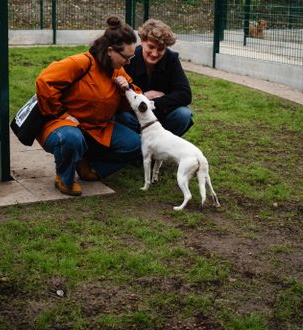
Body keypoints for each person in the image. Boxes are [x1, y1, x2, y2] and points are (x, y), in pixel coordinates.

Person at [36, 16, 143, 196]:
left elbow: (135, 99)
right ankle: (64, 177)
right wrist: (61, 113)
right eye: (127, 57)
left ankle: (89, 165)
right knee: (71, 138)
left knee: (134, 144)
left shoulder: (118, 69)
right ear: (110, 51)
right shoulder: (81, 62)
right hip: (63, 125)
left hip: (95, 128)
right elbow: (44, 81)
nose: (129, 62)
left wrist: (127, 89)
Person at [117, 18, 194, 136]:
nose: (154, 53)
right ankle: (136, 147)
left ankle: (164, 147)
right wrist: (144, 97)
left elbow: (185, 94)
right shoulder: (129, 60)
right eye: (151, 47)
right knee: (122, 117)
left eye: (161, 49)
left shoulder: (171, 59)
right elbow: (118, 97)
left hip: (161, 114)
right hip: (134, 116)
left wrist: (152, 102)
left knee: (183, 114)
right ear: (142, 41)